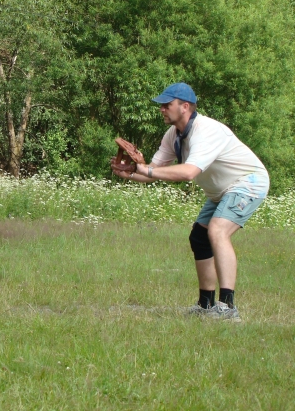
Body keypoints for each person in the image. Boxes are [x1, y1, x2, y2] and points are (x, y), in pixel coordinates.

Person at [111, 83, 269, 321]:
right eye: (162, 105)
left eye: (167, 105)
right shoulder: (173, 135)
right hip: (221, 191)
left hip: (248, 182)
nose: (162, 109)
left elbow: (188, 172)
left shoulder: (206, 130)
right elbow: (153, 171)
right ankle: (206, 305)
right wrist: (130, 173)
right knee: (199, 237)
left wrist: (145, 170)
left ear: (185, 107)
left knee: (217, 230)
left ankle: (228, 308)